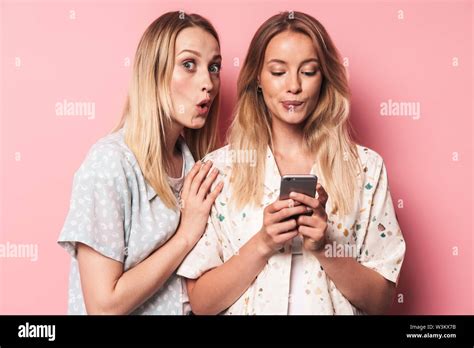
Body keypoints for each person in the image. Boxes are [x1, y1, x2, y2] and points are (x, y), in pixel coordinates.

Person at [177, 11, 406, 315]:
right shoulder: (218, 170)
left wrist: (324, 247)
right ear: (257, 78)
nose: (294, 86)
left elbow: (380, 302)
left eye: (308, 71)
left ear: (324, 78)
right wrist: (263, 242)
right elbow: (202, 304)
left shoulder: (365, 168)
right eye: (278, 71)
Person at [58, 11, 223, 315]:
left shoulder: (197, 168)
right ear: (153, 72)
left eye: (214, 67)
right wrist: (186, 235)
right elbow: (103, 306)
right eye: (189, 64)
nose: (208, 83)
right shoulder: (110, 164)